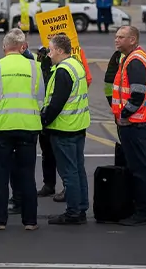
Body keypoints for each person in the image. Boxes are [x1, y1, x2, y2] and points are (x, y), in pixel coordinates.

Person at [0, 29, 43, 230]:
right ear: (23, 47)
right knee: (27, 174)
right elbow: (41, 96)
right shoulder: (35, 67)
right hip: (29, 126)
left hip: (3, 125)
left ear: (4, 47)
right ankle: (30, 221)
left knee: (0, 175)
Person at [42, 33, 91, 225]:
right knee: (78, 170)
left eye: (51, 50)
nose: (49, 54)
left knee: (69, 172)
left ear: (59, 50)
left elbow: (56, 103)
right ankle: (81, 208)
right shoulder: (76, 65)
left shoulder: (63, 71)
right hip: (78, 126)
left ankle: (73, 213)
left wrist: (44, 121)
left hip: (64, 128)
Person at [110, 25, 146, 226]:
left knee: (139, 170)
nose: (116, 39)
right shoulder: (131, 58)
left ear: (132, 40)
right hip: (138, 123)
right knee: (141, 168)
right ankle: (141, 209)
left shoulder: (135, 61)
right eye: (116, 36)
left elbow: (137, 94)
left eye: (121, 37)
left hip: (134, 123)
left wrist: (124, 114)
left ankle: (143, 212)